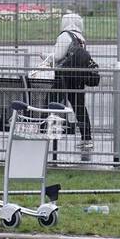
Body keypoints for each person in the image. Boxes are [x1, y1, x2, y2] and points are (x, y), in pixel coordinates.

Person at [46, 12, 94, 160]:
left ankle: (42, 131)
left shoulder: (64, 36)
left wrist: (45, 57)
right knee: (79, 108)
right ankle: (86, 138)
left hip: (63, 76)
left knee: (50, 103)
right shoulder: (81, 38)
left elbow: (58, 56)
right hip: (77, 76)